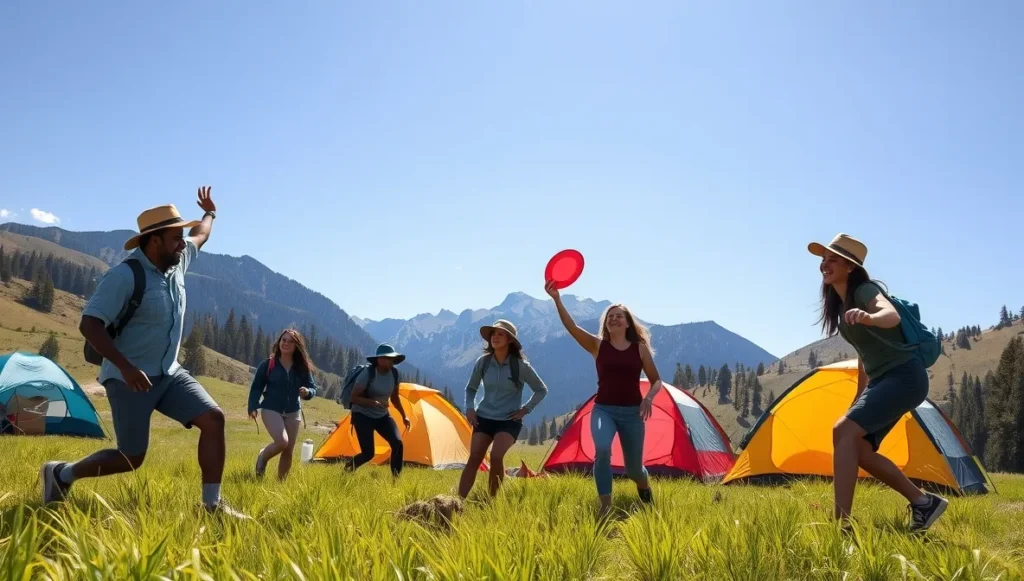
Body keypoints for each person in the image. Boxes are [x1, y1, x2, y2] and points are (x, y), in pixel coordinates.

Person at [41, 187, 246, 518]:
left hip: (169, 372)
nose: (182, 243)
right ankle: (61, 473)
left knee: (214, 419)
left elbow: (200, 235)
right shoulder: (124, 276)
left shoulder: (177, 262)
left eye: (181, 238)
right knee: (130, 458)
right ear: (154, 240)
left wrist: (211, 213)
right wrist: (124, 367)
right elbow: (89, 325)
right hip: (128, 378)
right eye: (175, 238)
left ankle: (211, 505)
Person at [810, 233, 947, 532]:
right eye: (823, 259)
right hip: (884, 379)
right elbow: (864, 355)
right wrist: (858, 399)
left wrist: (870, 317)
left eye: (832, 259)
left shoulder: (864, 291)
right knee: (857, 447)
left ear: (850, 266)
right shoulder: (842, 302)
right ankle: (924, 504)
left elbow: (890, 315)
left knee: (841, 432)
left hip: (905, 376)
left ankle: (842, 526)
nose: (824, 264)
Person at [545, 280, 663, 517]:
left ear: (628, 323)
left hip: (632, 414)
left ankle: (644, 486)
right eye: (610, 317)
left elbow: (656, 380)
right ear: (606, 324)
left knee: (633, 470)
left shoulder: (639, 349)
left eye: (619, 316)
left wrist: (649, 398)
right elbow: (572, 327)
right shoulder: (597, 346)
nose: (614, 319)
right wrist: (557, 299)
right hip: (604, 410)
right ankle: (605, 505)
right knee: (602, 449)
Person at [458, 319, 548, 498]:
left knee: (496, 456)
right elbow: (471, 388)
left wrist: (525, 409)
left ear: (510, 340)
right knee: (474, 457)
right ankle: (457, 502)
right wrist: (469, 408)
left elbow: (541, 390)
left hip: (509, 421)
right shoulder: (483, 363)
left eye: (500, 334)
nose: (495, 337)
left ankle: (491, 501)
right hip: (483, 418)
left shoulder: (521, 366)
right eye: (493, 334)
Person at [248, 328, 318, 481]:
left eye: (290, 341)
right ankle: (263, 457)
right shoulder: (268, 364)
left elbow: (313, 388)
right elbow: (257, 387)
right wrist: (252, 406)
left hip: (294, 411)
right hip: (271, 408)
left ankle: (281, 485)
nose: (285, 343)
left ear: (296, 346)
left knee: (288, 451)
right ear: (279, 342)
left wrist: (308, 392)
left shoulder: (302, 367)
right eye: (283, 340)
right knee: (282, 442)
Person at [347, 344, 411, 477]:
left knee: (397, 443)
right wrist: (371, 402)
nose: (391, 361)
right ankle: (347, 470)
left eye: (393, 359)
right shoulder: (368, 374)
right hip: (362, 415)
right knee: (368, 454)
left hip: (382, 416)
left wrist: (404, 416)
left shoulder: (394, 373)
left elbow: (394, 398)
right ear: (379, 360)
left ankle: (395, 480)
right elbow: (353, 397)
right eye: (388, 358)